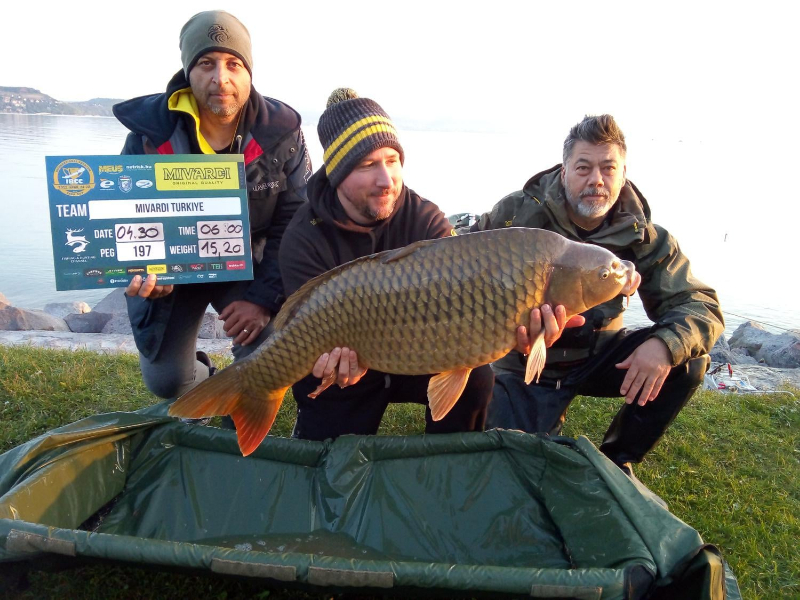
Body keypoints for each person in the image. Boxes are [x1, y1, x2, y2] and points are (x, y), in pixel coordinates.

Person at [471, 114, 724, 475]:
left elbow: (702, 306)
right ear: (564, 172)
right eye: (583, 168)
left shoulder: (643, 236)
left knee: (687, 360)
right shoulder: (517, 215)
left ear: (623, 173)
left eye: (608, 168)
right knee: (515, 467)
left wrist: (664, 345)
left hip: (598, 356)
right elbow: (458, 263)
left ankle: (617, 458)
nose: (596, 180)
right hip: (525, 362)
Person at [113, 10, 310, 404]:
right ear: (188, 71)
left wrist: (263, 299)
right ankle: (207, 377)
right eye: (206, 64)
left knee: (271, 353)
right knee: (167, 383)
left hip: (247, 265)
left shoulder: (282, 133)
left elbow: (296, 222)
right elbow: (128, 218)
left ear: (249, 73)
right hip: (177, 272)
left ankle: (242, 403)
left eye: (233, 64)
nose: (221, 78)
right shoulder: (150, 134)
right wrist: (144, 271)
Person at [279, 89, 494, 441]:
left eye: (392, 160)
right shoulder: (304, 238)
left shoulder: (426, 220)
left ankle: (451, 466)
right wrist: (324, 360)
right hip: (346, 364)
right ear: (337, 174)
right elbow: (302, 328)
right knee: (327, 458)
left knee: (478, 372)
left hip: (419, 354)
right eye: (367, 165)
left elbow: (468, 293)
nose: (386, 179)